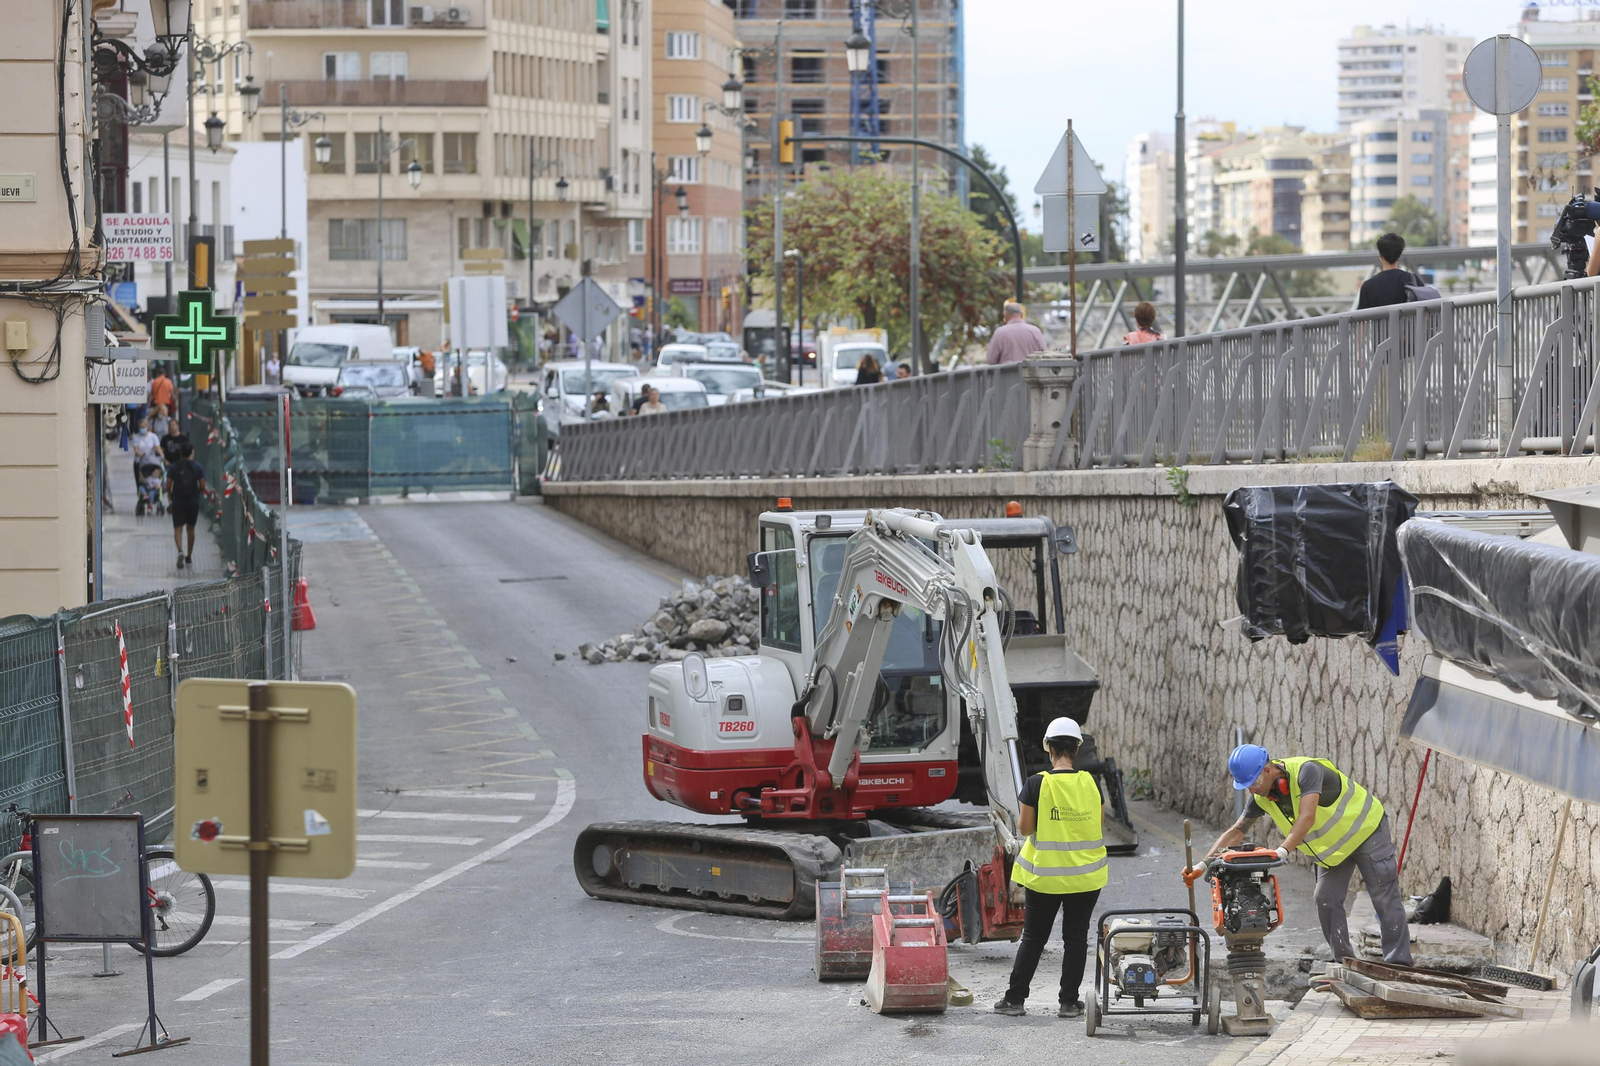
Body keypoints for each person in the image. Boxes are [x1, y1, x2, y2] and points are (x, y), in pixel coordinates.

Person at [1190, 744, 1412, 967]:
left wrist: (1282, 850)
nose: (1253, 791)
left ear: (1268, 770)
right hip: (1334, 850)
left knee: (1383, 895)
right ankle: (1345, 963)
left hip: (1367, 830)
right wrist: (1202, 865)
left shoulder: (1307, 772)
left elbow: (1307, 817)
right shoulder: (1261, 798)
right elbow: (1236, 832)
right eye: (1247, 787)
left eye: (1254, 784)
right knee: (1325, 898)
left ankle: (1399, 963)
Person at [993, 716, 1107, 1018]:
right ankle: (1069, 1003)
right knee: (1076, 938)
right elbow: (1097, 825)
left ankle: (1015, 1000)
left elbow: (1025, 829)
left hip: (1045, 878)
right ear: (1077, 748)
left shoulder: (1036, 784)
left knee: (1033, 938)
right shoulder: (1091, 783)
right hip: (1086, 878)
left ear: (1048, 748)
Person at [164, 440, 207, 569]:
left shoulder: (174, 467)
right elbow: (202, 485)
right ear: (192, 453)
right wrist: (198, 492)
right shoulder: (198, 467)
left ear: (180, 453)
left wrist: (170, 496)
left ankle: (180, 550)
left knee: (178, 528)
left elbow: (167, 485)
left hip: (178, 501)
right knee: (191, 528)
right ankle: (189, 557)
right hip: (193, 501)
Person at [1357, 232, 1421, 310]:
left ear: (1380, 254)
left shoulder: (1368, 286)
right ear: (1399, 254)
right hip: (1408, 318)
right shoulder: (1412, 280)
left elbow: (1361, 316)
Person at [986, 300, 1047, 365]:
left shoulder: (1000, 333)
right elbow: (1045, 355)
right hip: (1032, 370)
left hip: (1007, 370)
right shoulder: (1035, 331)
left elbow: (991, 359)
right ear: (1021, 314)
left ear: (1005, 315)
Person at [129, 419, 163, 515]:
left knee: (155, 479)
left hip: (152, 462)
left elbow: (158, 447)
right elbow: (136, 449)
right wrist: (140, 454)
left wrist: (162, 456)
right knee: (140, 482)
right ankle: (141, 497)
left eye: (143, 427)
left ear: (147, 427)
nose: (142, 429)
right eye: (140, 427)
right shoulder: (136, 437)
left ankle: (153, 498)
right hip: (140, 462)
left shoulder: (153, 436)